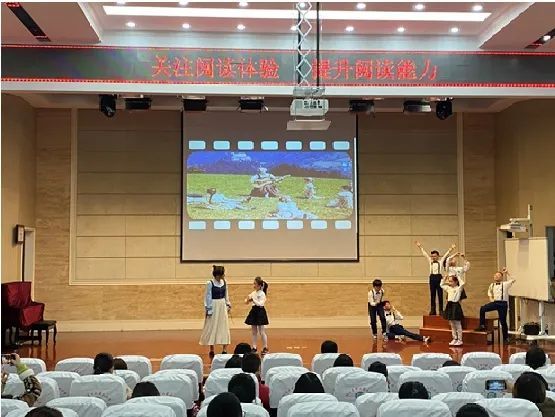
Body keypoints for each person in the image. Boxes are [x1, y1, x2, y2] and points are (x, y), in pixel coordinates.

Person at [475, 267, 516, 343]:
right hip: (495, 302)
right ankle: (482, 325)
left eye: (498, 275)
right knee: (482, 308)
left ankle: (506, 338)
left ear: (501, 277)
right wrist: (491, 298)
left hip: (503, 304)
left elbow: (514, 279)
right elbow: (489, 292)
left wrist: (507, 272)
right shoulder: (492, 285)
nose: (496, 276)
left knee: (503, 321)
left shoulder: (505, 284)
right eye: (495, 275)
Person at [415, 241, 456, 315]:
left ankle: (441, 310)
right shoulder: (430, 261)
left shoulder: (440, 261)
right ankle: (433, 310)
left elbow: (446, 255)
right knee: (432, 294)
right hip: (432, 277)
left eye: (435, 256)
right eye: (432, 256)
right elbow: (425, 254)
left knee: (440, 294)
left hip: (439, 277)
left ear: (438, 256)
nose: (433, 257)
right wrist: (420, 246)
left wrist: (451, 249)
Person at [200, 265, 232, 358]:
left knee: (224, 326)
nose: (224, 276)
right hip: (214, 305)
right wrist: (209, 309)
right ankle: (212, 349)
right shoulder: (210, 283)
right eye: (222, 274)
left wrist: (228, 304)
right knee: (212, 326)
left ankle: (224, 349)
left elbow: (226, 295)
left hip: (222, 306)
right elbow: (207, 296)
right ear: (218, 275)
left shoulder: (224, 282)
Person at [245, 277, 269, 354]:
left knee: (262, 332)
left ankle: (265, 347)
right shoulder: (253, 293)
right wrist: (247, 300)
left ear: (259, 285)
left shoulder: (262, 294)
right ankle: (254, 347)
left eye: (255, 284)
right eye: (254, 283)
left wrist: (253, 300)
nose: (254, 285)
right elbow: (246, 301)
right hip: (254, 311)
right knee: (254, 332)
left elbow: (260, 304)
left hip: (260, 312)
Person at [441, 274, 467, 346]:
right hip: (449, 306)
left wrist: (458, 276)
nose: (449, 283)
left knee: (457, 324)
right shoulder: (448, 288)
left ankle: (460, 340)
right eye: (449, 281)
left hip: (456, 306)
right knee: (452, 324)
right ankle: (454, 338)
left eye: (451, 281)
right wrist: (444, 278)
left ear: (455, 282)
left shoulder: (458, 288)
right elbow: (441, 285)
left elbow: (462, 283)